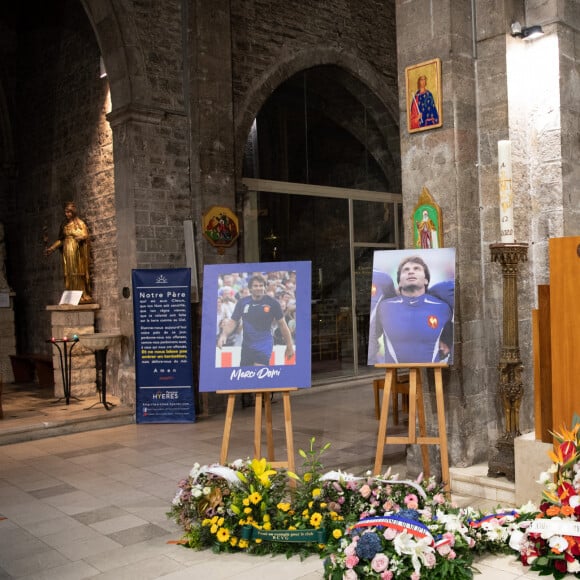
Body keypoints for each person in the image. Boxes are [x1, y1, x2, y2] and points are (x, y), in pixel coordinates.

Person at [369, 255, 452, 364]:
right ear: (399, 282)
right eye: (406, 270)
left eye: (416, 268)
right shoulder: (383, 307)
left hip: (430, 373)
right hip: (395, 371)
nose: (411, 272)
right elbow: (372, 337)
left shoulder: (443, 308)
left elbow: (448, 340)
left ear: (426, 280)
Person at [217, 274, 295, 366]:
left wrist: (289, 345)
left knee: (258, 373)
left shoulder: (273, 303)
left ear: (265, 287)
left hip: (264, 345)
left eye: (261, 285)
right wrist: (224, 335)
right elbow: (233, 321)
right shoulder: (242, 303)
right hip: (247, 346)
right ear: (250, 288)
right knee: (247, 376)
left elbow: (282, 325)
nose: (259, 288)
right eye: (256, 286)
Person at [45, 201, 93, 303]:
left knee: (77, 271)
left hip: (76, 251)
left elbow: (85, 235)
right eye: (66, 212)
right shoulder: (64, 225)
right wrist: (52, 248)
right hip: (67, 251)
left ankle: (81, 295)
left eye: (69, 212)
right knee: (68, 273)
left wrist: (80, 237)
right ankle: (71, 295)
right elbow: (61, 240)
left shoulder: (80, 223)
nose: (67, 214)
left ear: (73, 212)